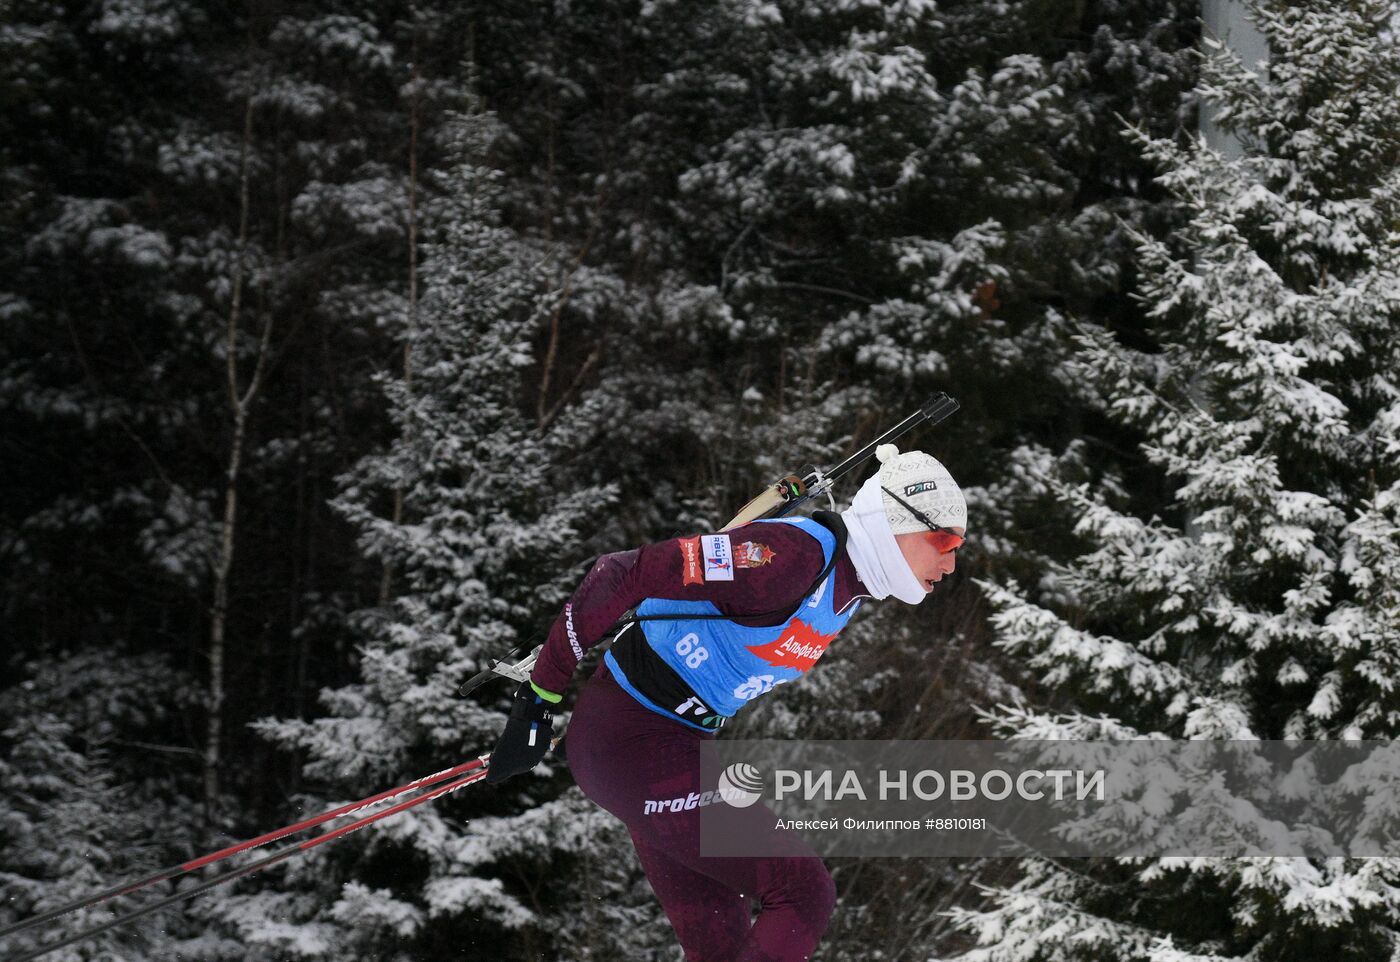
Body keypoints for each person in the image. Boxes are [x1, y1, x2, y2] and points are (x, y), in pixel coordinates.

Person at [486, 444, 967, 961]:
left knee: (722, 944)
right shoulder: (791, 557)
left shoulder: (845, 589)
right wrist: (537, 700)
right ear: (891, 520)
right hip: (633, 743)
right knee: (804, 894)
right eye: (943, 539)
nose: (951, 559)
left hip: (663, 749)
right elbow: (619, 573)